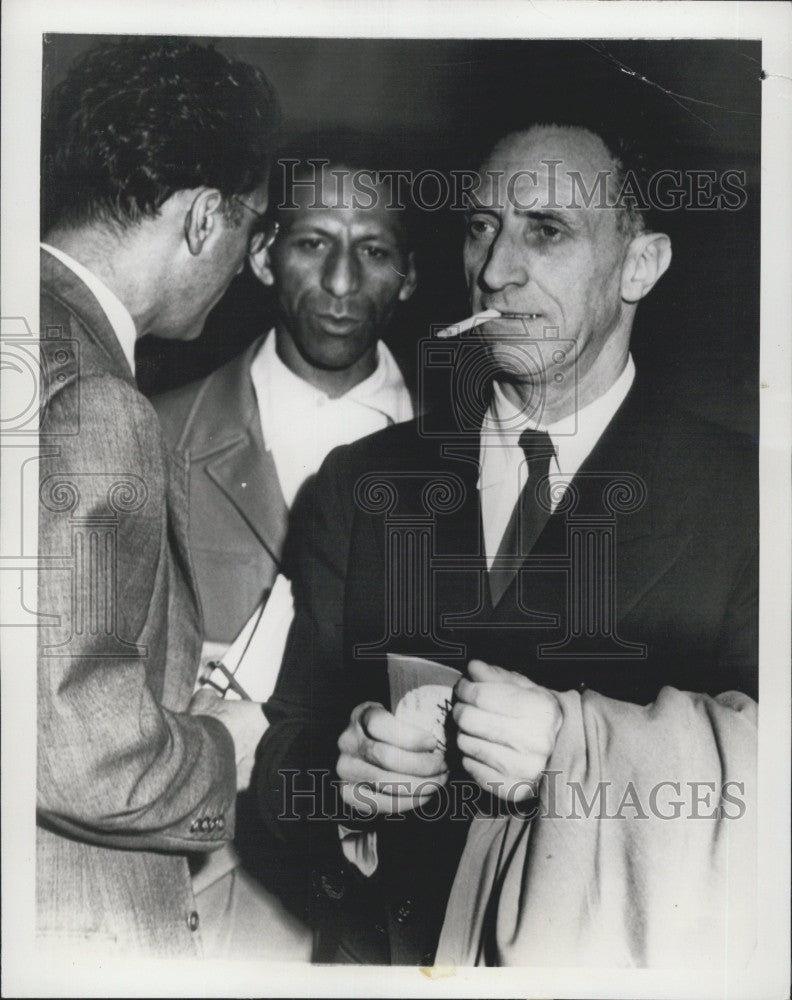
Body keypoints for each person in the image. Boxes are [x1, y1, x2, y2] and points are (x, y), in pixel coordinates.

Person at [252, 124, 758, 964]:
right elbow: (287, 750)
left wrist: (576, 750)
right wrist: (343, 785)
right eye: (482, 227)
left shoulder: (748, 501)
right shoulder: (362, 481)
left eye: (546, 231)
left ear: (641, 265)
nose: (494, 271)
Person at [37, 38, 280, 957]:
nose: (248, 264)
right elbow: (72, 746)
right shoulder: (96, 397)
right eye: (253, 230)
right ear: (204, 217)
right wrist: (223, 746)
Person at [152, 138, 418, 958]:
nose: (342, 282)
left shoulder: (477, 460)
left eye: (372, 250)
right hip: (202, 882)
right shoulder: (154, 434)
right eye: (312, 243)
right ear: (263, 257)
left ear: (408, 275)